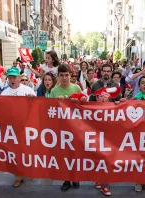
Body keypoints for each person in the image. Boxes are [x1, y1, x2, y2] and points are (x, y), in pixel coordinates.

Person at [49, 64, 85, 192]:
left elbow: (83, 106)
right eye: (62, 75)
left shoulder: (76, 88)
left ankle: (75, 177)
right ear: (58, 76)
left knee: (75, 154)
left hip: (75, 127)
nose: (64, 78)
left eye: (66, 75)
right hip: (61, 128)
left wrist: (79, 101)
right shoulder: (54, 91)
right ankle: (66, 179)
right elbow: (50, 110)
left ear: (70, 75)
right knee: (64, 155)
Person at [1, 67, 36, 188]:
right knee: (15, 152)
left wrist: (32, 101)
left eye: (14, 77)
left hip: (26, 126)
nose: (12, 79)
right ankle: (18, 176)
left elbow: (36, 109)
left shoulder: (28, 90)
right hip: (12, 128)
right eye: (10, 77)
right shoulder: (4, 93)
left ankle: (29, 169)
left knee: (27, 150)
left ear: (19, 78)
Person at [93, 86, 122, 196]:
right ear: (97, 98)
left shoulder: (113, 107)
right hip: (94, 140)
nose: (103, 98)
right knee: (97, 161)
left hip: (108, 141)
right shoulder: (90, 108)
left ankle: (105, 185)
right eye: (100, 96)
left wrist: (121, 102)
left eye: (105, 97)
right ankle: (98, 180)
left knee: (107, 161)